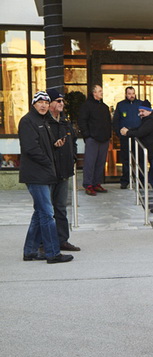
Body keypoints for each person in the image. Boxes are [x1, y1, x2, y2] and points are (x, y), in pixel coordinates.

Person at [19, 91, 73, 264]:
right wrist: (49, 162)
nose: (43, 105)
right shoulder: (27, 121)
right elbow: (30, 148)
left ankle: (30, 251)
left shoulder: (43, 122)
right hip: (36, 174)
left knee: (39, 213)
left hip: (44, 173)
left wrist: (54, 146)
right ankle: (52, 253)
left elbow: (43, 146)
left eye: (45, 102)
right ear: (34, 104)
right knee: (48, 214)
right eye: (40, 102)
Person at [120, 101, 153, 213]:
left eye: (143, 111)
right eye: (140, 111)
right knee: (152, 178)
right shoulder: (148, 120)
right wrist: (128, 130)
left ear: (149, 111)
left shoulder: (151, 120)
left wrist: (127, 132)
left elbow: (141, 132)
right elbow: (138, 129)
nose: (141, 113)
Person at [46, 89, 80, 252]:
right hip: (48, 172)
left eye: (62, 101)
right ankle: (43, 242)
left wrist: (72, 156)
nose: (61, 103)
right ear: (50, 103)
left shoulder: (65, 123)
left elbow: (73, 142)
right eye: (58, 101)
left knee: (61, 207)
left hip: (64, 171)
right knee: (45, 209)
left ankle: (62, 240)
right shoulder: (44, 123)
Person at [78, 84, 111, 196]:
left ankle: (97, 183)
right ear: (94, 93)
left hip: (104, 139)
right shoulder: (86, 106)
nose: (102, 92)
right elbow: (82, 121)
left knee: (100, 163)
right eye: (99, 91)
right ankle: (88, 185)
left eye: (101, 90)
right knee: (90, 163)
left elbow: (108, 122)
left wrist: (108, 136)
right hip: (92, 139)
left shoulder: (105, 107)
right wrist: (87, 135)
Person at [112, 86, 142, 189]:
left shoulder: (140, 104)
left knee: (140, 160)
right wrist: (119, 134)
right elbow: (116, 121)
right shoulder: (121, 105)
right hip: (125, 138)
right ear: (126, 94)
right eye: (129, 93)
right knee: (126, 160)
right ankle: (125, 181)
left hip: (138, 137)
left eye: (133, 93)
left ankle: (141, 181)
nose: (131, 95)